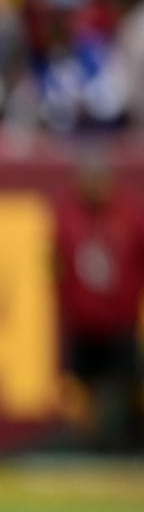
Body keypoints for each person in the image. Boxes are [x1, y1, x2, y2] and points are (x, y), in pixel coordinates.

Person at [54, 150, 144, 454]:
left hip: (121, 321)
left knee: (126, 384)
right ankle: (86, 446)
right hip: (83, 322)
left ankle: (127, 442)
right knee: (81, 388)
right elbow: (54, 266)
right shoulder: (67, 217)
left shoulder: (129, 216)